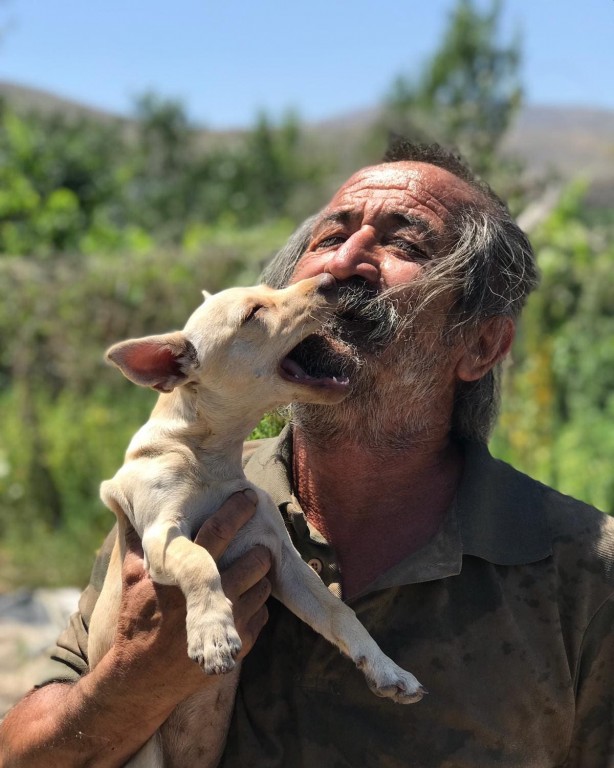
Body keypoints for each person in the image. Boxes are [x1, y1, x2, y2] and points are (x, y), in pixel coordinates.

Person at [1, 140, 613, 767]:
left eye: (405, 245)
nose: (344, 263)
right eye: (329, 237)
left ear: (482, 345)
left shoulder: (585, 574)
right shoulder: (189, 502)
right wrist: (135, 680)